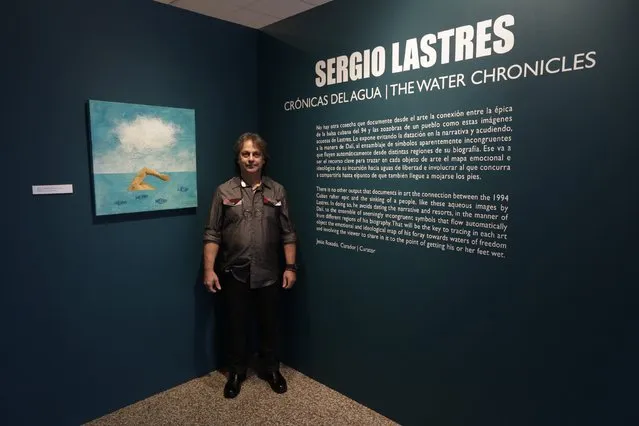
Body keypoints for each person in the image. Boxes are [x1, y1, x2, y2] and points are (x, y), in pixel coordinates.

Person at [202, 132, 298, 399]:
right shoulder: (224, 191)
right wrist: (209, 269)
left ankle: (271, 369)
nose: (251, 158)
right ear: (238, 158)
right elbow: (212, 233)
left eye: (256, 154)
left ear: (264, 159)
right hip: (234, 272)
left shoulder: (277, 191)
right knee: (236, 325)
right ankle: (236, 372)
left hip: (269, 272)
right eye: (246, 154)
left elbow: (288, 232)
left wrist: (291, 267)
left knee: (270, 324)